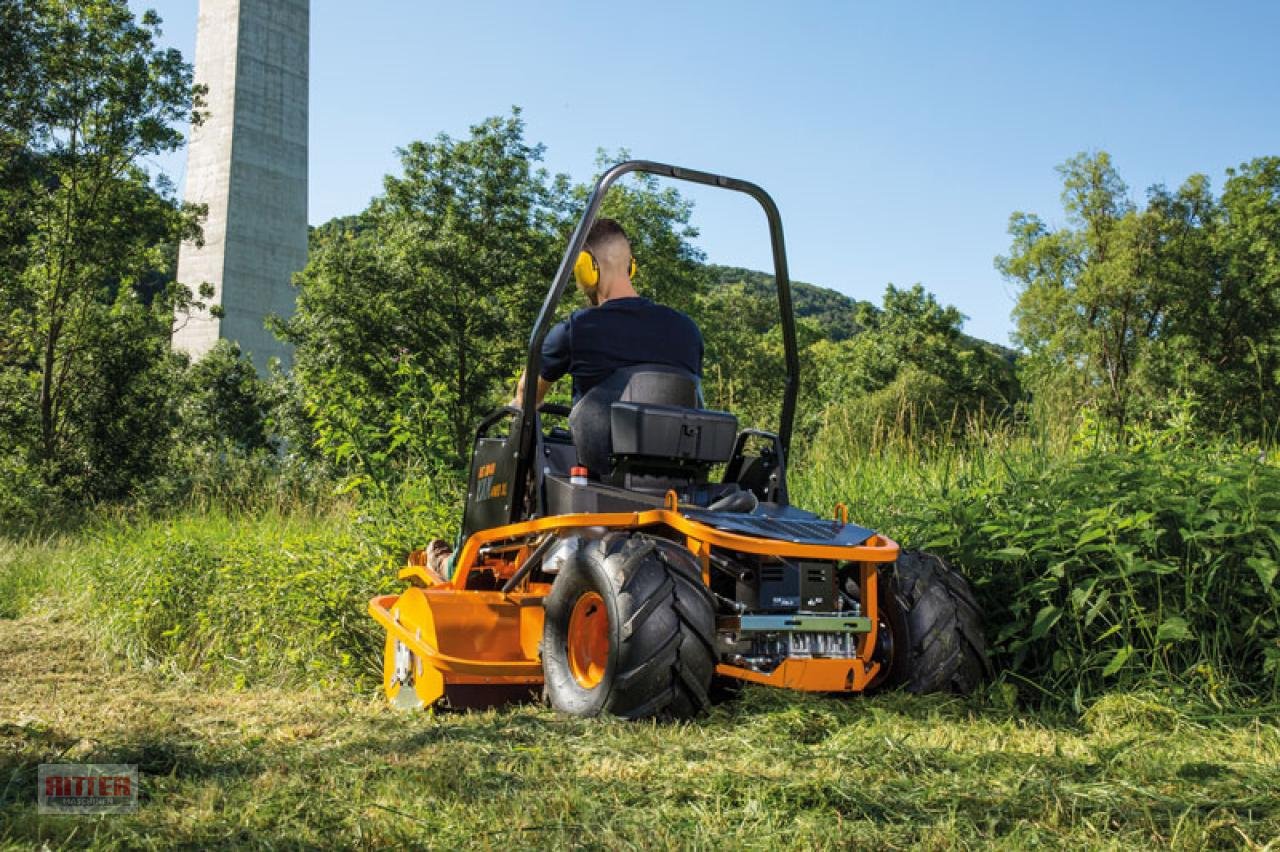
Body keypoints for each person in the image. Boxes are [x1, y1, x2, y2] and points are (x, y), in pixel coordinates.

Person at [511, 217, 703, 411]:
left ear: (584, 266)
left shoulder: (576, 330)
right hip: (675, 442)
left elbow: (526, 398)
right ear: (631, 266)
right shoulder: (687, 330)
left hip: (598, 442)